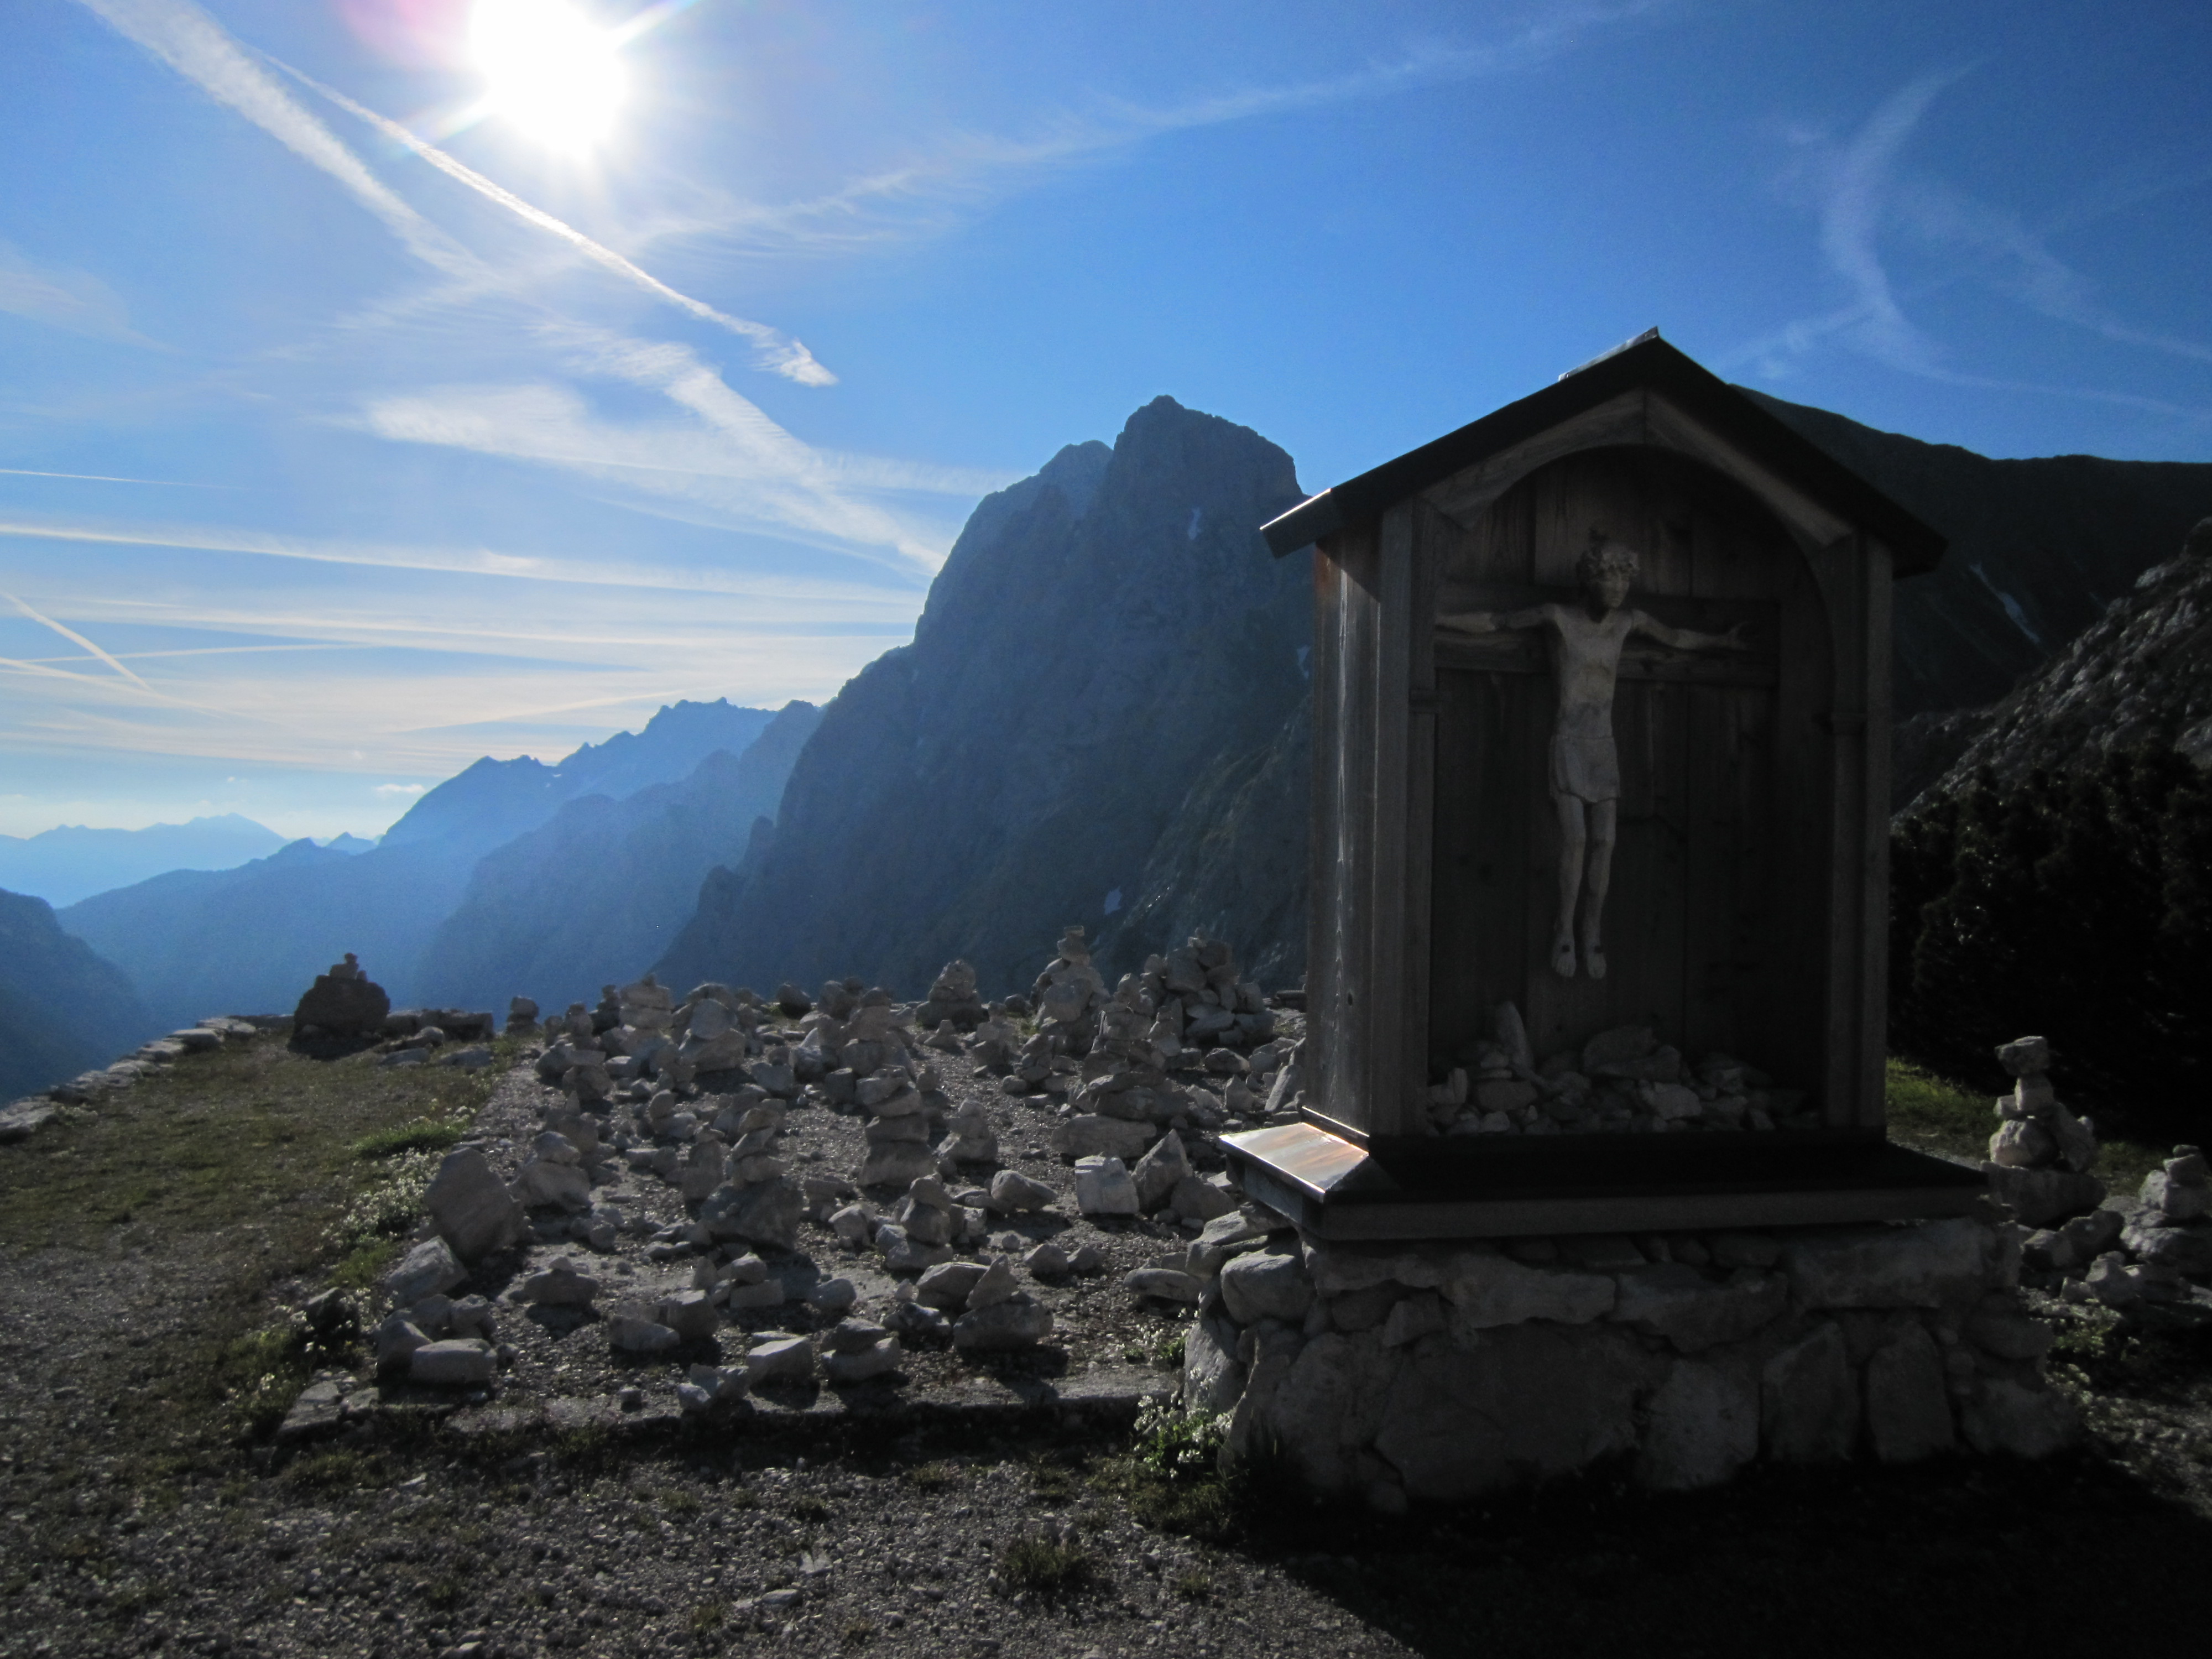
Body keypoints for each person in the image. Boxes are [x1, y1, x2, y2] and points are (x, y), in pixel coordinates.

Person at [1439, 530, 1747, 980]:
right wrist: (1439, 620)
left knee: (1606, 842)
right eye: (1610, 580)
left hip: (1604, 745)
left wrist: (1724, 642)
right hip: (1568, 741)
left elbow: (1677, 637)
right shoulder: (1558, 618)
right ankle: (1563, 927)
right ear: (1591, 581)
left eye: (1624, 581)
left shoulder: (1628, 623)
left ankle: (1592, 929)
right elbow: (1496, 622)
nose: (1619, 590)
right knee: (1576, 840)